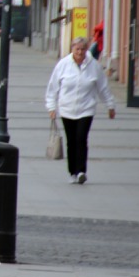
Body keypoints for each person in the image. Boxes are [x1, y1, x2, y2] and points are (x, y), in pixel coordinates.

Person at [46, 37, 116, 184]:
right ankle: (72, 172)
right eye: (77, 49)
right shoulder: (63, 64)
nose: (80, 52)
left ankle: (81, 171)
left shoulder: (94, 66)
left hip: (86, 109)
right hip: (67, 109)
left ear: (86, 50)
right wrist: (51, 107)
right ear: (72, 49)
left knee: (81, 139)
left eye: (83, 49)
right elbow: (53, 87)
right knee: (71, 141)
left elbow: (103, 87)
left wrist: (110, 105)